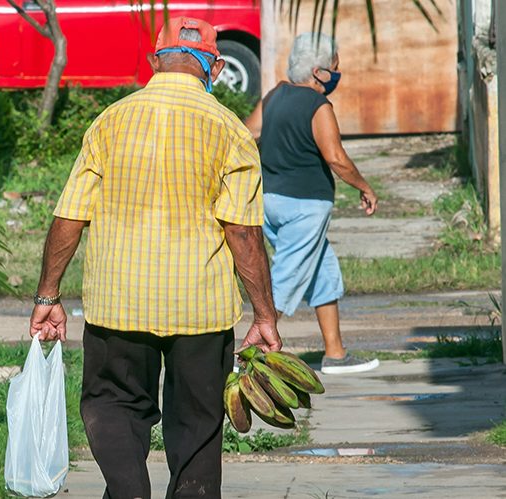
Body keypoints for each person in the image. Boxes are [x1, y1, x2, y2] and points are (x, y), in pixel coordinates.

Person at [28, 17, 282, 499]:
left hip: (117, 303)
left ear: (154, 60)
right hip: (199, 311)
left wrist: (48, 294)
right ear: (216, 66)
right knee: (197, 425)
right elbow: (243, 234)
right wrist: (264, 314)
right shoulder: (230, 130)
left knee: (115, 408)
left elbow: (69, 216)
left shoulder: (110, 120)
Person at [244, 32, 379, 375]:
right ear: (318, 72)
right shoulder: (319, 107)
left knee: (323, 272)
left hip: (268, 202)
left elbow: (247, 133)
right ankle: (249, 356)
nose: (338, 72)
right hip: (305, 206)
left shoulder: (274, 96)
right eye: (335, 66)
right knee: (287, 277)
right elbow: (336, 158)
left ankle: (335, 354)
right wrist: (364, 186)